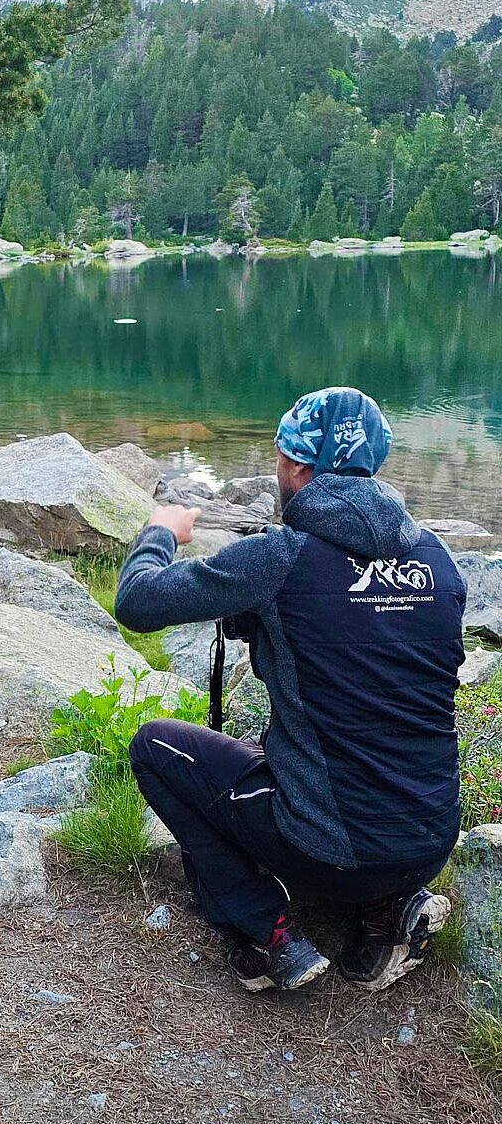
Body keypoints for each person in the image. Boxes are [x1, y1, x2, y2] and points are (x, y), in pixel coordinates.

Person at [115, 387, 464, 994]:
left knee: (155, 749)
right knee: (347, 745)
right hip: (429, 838)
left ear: (298, 465)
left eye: (279, 455)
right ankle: (386, 915)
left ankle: (267, 933)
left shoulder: (279, 558)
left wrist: (160, 532)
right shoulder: (437, 560)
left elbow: (137, 602)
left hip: (326, 849)